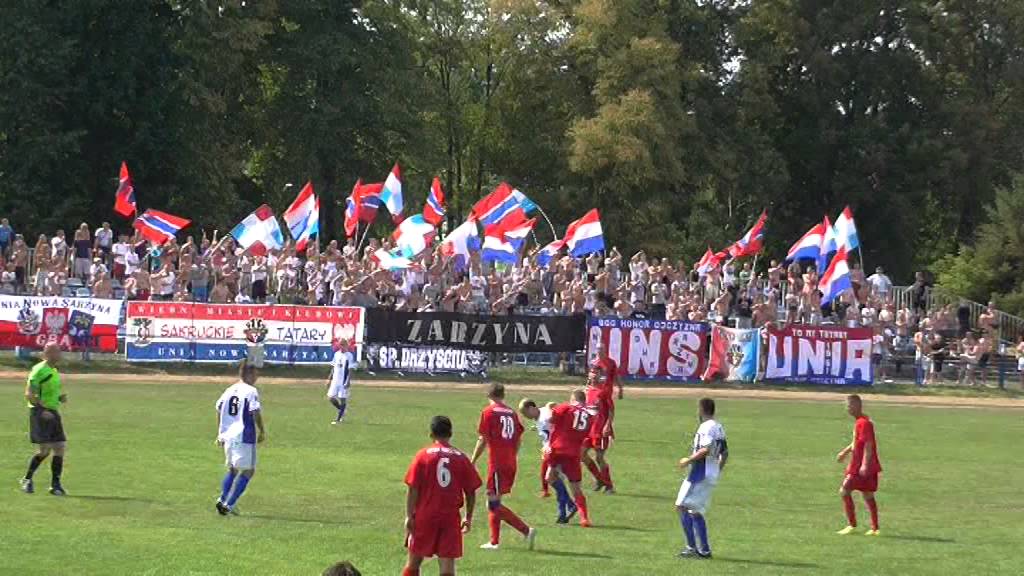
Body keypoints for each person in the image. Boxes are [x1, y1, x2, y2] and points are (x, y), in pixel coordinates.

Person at [402, 415, 481, 576]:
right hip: (450, 517)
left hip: (425, 515)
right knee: (447, 567)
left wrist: (409, 516)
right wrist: (468, 517)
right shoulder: (460, 457)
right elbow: (471, 491)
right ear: (450, 433)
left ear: (431, 434)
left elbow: (413, 488)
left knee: (414, 562)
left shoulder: (423, 455)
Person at [469, 384, 536, 550]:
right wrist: (512, 455)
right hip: (510, 461)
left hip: (497, 463)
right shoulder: (512, 413)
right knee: (495, 500)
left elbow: (482, 439)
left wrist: (473, 460)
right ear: (503, 395)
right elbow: (518, 439)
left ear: (488, 395)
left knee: (492, 504)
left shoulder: (489, 412)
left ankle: (526, 530)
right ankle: (494, 542)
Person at [676, 398, 728, 559]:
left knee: (681, 506)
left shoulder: (706, 427)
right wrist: (717, 470)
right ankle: (704, 550)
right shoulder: (718, 426)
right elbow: (725, 453)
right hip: (709, 473)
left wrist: (688, 460)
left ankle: (692, 548)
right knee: (695, 511)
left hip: (699, 473)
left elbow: (705, 450)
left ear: (701, 409)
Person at [214, 360, 266, 515]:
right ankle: (228, 505)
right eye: (255, 374)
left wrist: (220, 432)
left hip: (228, 436)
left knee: (233, 470)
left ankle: (222, 499)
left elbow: (219, 408)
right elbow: (255, 411)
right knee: (249, 471)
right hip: (244, 435)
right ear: (249, 374)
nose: (256, 377)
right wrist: (262, 430)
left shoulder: (230, 389)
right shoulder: (251, 391)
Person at [20, 343, 69, 496]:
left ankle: (55, 485)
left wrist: (59, 398)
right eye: (57, 352)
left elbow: (47, 392)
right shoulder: (39, 370)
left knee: (60, 447)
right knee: (45, 450)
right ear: (48, 353)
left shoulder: (54, 370)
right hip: (40, 413)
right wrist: (42, 410)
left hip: (53, 412)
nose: (60, 354)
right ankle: (27, 479)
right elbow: (29, 393)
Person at [835, 395, 882, 536]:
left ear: (857, 405)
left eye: (849, 406)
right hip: (865, 466)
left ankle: (852, 525)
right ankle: (875, 528)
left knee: (844, 491)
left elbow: (868, 444)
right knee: (868, 494)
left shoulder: (864, 423)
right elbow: (857, 441)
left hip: (859, 467)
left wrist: (864, 465)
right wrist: (845, 452)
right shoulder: (862, 421)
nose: (847, 409)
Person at [546, 389, 592, 527]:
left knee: (550, 477)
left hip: (558, 448)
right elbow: (585, 433)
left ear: (573, 399)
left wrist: (550, 409)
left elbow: (550, 420)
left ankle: (568, 504)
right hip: (574, 452)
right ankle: (584, 518)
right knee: (576, 487)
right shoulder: (589, 415)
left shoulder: (566, 407)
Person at [581, 367, 616, 493]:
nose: (594, 375)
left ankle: (609, 486)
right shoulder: (586, 391)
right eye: (592, 372)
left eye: (596, 373)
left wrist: (608, 425)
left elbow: (611, 410)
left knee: (599, 457)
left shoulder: (604, 391)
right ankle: (599, 479)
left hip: (600, 429)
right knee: (581, 454)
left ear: (600, 375)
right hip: (587, 429)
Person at [518, 398, 555, 498]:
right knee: (546, 471)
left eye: (525, 413)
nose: (525, 416)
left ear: (531, 408)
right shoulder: (540, 413)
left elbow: (555, 422)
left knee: (552, 475)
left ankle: (565, 499)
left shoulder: (546, 416)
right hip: (548, 447)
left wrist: (550, 444)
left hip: (554, 448)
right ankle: (546, 491)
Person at [327, 339, 354, 424]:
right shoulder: (336, 354)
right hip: (335, 380)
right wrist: (329, 379)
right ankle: (342, 410)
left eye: (343, 345)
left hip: (343, 380)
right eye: (340, 345)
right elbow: (333, 367)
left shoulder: (349, 355)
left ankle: (338, 419)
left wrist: (348, 381)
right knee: (330, 397)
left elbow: (350, 369)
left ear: (346, 346)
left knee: (342, 399)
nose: (341, 347)